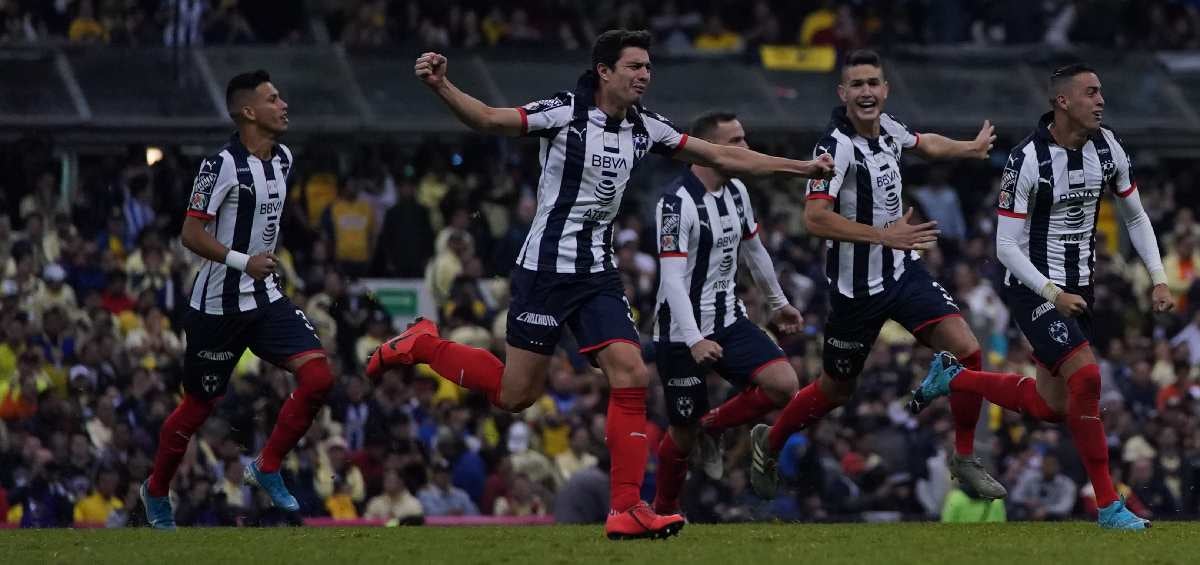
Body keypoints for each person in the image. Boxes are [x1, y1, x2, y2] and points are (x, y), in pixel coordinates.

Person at [365, 29, 833, 540]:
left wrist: (800, 168)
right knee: (515, 395)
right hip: (545, 271)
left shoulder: (645, 126)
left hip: (597, 274)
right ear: (604, 71)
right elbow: (490, 119)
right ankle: (423, 344)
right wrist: (442, 86)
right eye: (634, 66)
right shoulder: (564, 112)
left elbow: (724, 157)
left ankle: (626, 509)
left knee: (630, 371)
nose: (644, 75)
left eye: (648, 67)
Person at [911, 63, 1172, 530]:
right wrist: (1053, 292)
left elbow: (1134, 216)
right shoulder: (1027, 159)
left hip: (1079, 288)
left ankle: (954, 378)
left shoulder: (1109, 147)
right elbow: (1005, 246)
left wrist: (1158, 277)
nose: (1101, 101)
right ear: (1063, 101)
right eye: (1091, 92)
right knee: (1086, 378)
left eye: (1101, 92)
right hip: (1032, 286)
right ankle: (1109, 506)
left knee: (1052, 407)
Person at [749, 49, 1001, 501]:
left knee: (968, 350)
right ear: (842, 93)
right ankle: (769, 442)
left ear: (885, 89)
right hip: (855, 293)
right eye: (857, 85)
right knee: (834, 391)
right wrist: (884, 236)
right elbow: (814, 218)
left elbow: (924, 144)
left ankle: (964, 457)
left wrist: (969, 148)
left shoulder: (888, 128)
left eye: (873, 83)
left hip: (902, 273)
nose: (866, 92)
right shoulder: (834, 148)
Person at [141, 70, 336, 530]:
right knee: (198, 407)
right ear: (248, 111)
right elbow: (190, 234)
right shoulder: (221, 165)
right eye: (273, 99)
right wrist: (243, 261)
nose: (284, 105)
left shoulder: (283, 158)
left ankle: (267, 465)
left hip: (264, 298)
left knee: (319, 377)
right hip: (217, 307)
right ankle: (156, 491)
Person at [650, 111, 803, 516]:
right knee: (681, 433)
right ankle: (663, 510)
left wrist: (778, 303)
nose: (746, 148)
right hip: (680, 331)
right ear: (707, 148)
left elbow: (754, 250)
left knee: (783, 384)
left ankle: (713, 427)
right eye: (735, 141)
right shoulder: (675, 203)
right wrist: (694, 339)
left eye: (744, 138)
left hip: (728, 319)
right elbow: (671, 279)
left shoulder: (737, 191)